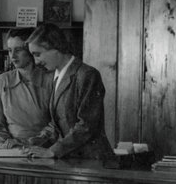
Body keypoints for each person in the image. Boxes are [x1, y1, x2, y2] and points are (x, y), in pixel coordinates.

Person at [25, 22, 113, 160]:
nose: (36, 62)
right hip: (72, 159)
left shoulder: (87, 75)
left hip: (92, 160)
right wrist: (37, 141)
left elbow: (87, 126)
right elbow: (57, 123)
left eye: (38, 54)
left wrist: (53, 151)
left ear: (55, 47)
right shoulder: (55, 76)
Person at [0, 27, 53, 148]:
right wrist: (7, 144)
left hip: (43, 149)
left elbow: (56, 124)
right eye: (9, 50)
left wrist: (32, 143)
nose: (12, 56)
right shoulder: (2, 81)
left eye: (18, 50)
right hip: (10, 150)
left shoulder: (50, 80)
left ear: (30, 50)